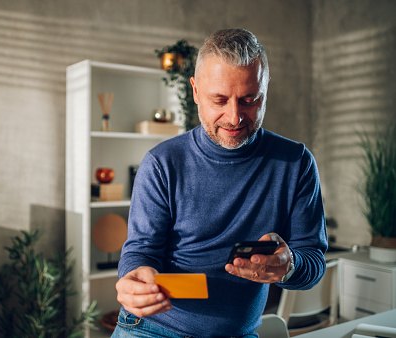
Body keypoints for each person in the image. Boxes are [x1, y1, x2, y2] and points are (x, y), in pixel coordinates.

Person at [112, 28, 328, 338]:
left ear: (266, 90)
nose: (234, 117)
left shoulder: (296, 163)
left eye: (249, 100)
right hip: (153, 328)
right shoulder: (162, 163)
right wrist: (135, 279)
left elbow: (313, 261)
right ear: (196, 92)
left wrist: (289, 266)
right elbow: (140, 251)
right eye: (219, 100)